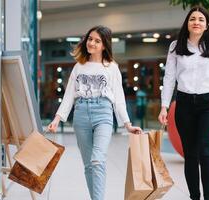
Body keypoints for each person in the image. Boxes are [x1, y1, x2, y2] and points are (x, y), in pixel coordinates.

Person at [47, 25, 142, 200]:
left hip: (103, 113)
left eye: (97, 41)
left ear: (104, 45)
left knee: (97, 161)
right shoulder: (78, 67)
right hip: (81, 113)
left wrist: (127, 125)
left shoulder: (111, 67)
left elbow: (119, 98)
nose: (92, 43)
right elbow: (69, 96)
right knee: (89, 166)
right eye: (90, 39)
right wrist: (57, 119)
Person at [158, 6, 209, 200]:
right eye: (192, 18)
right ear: (187, 23)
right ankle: (195, 197)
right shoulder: (175, 46)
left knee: (207, 152)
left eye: (201, 19)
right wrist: (164, 106)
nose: (197, 22)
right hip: (184, 105)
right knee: (191, 154)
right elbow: (169, 78)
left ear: (207, 25)